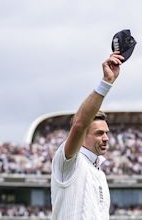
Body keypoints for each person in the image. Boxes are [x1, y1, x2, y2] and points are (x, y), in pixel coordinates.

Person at [51, 52, 124, 220]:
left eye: (106, 133)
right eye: (99, 133)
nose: (105, 138)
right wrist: (106, 83)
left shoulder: (99, 172)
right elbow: (79, 124)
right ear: (83, 135)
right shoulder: (69, 162)